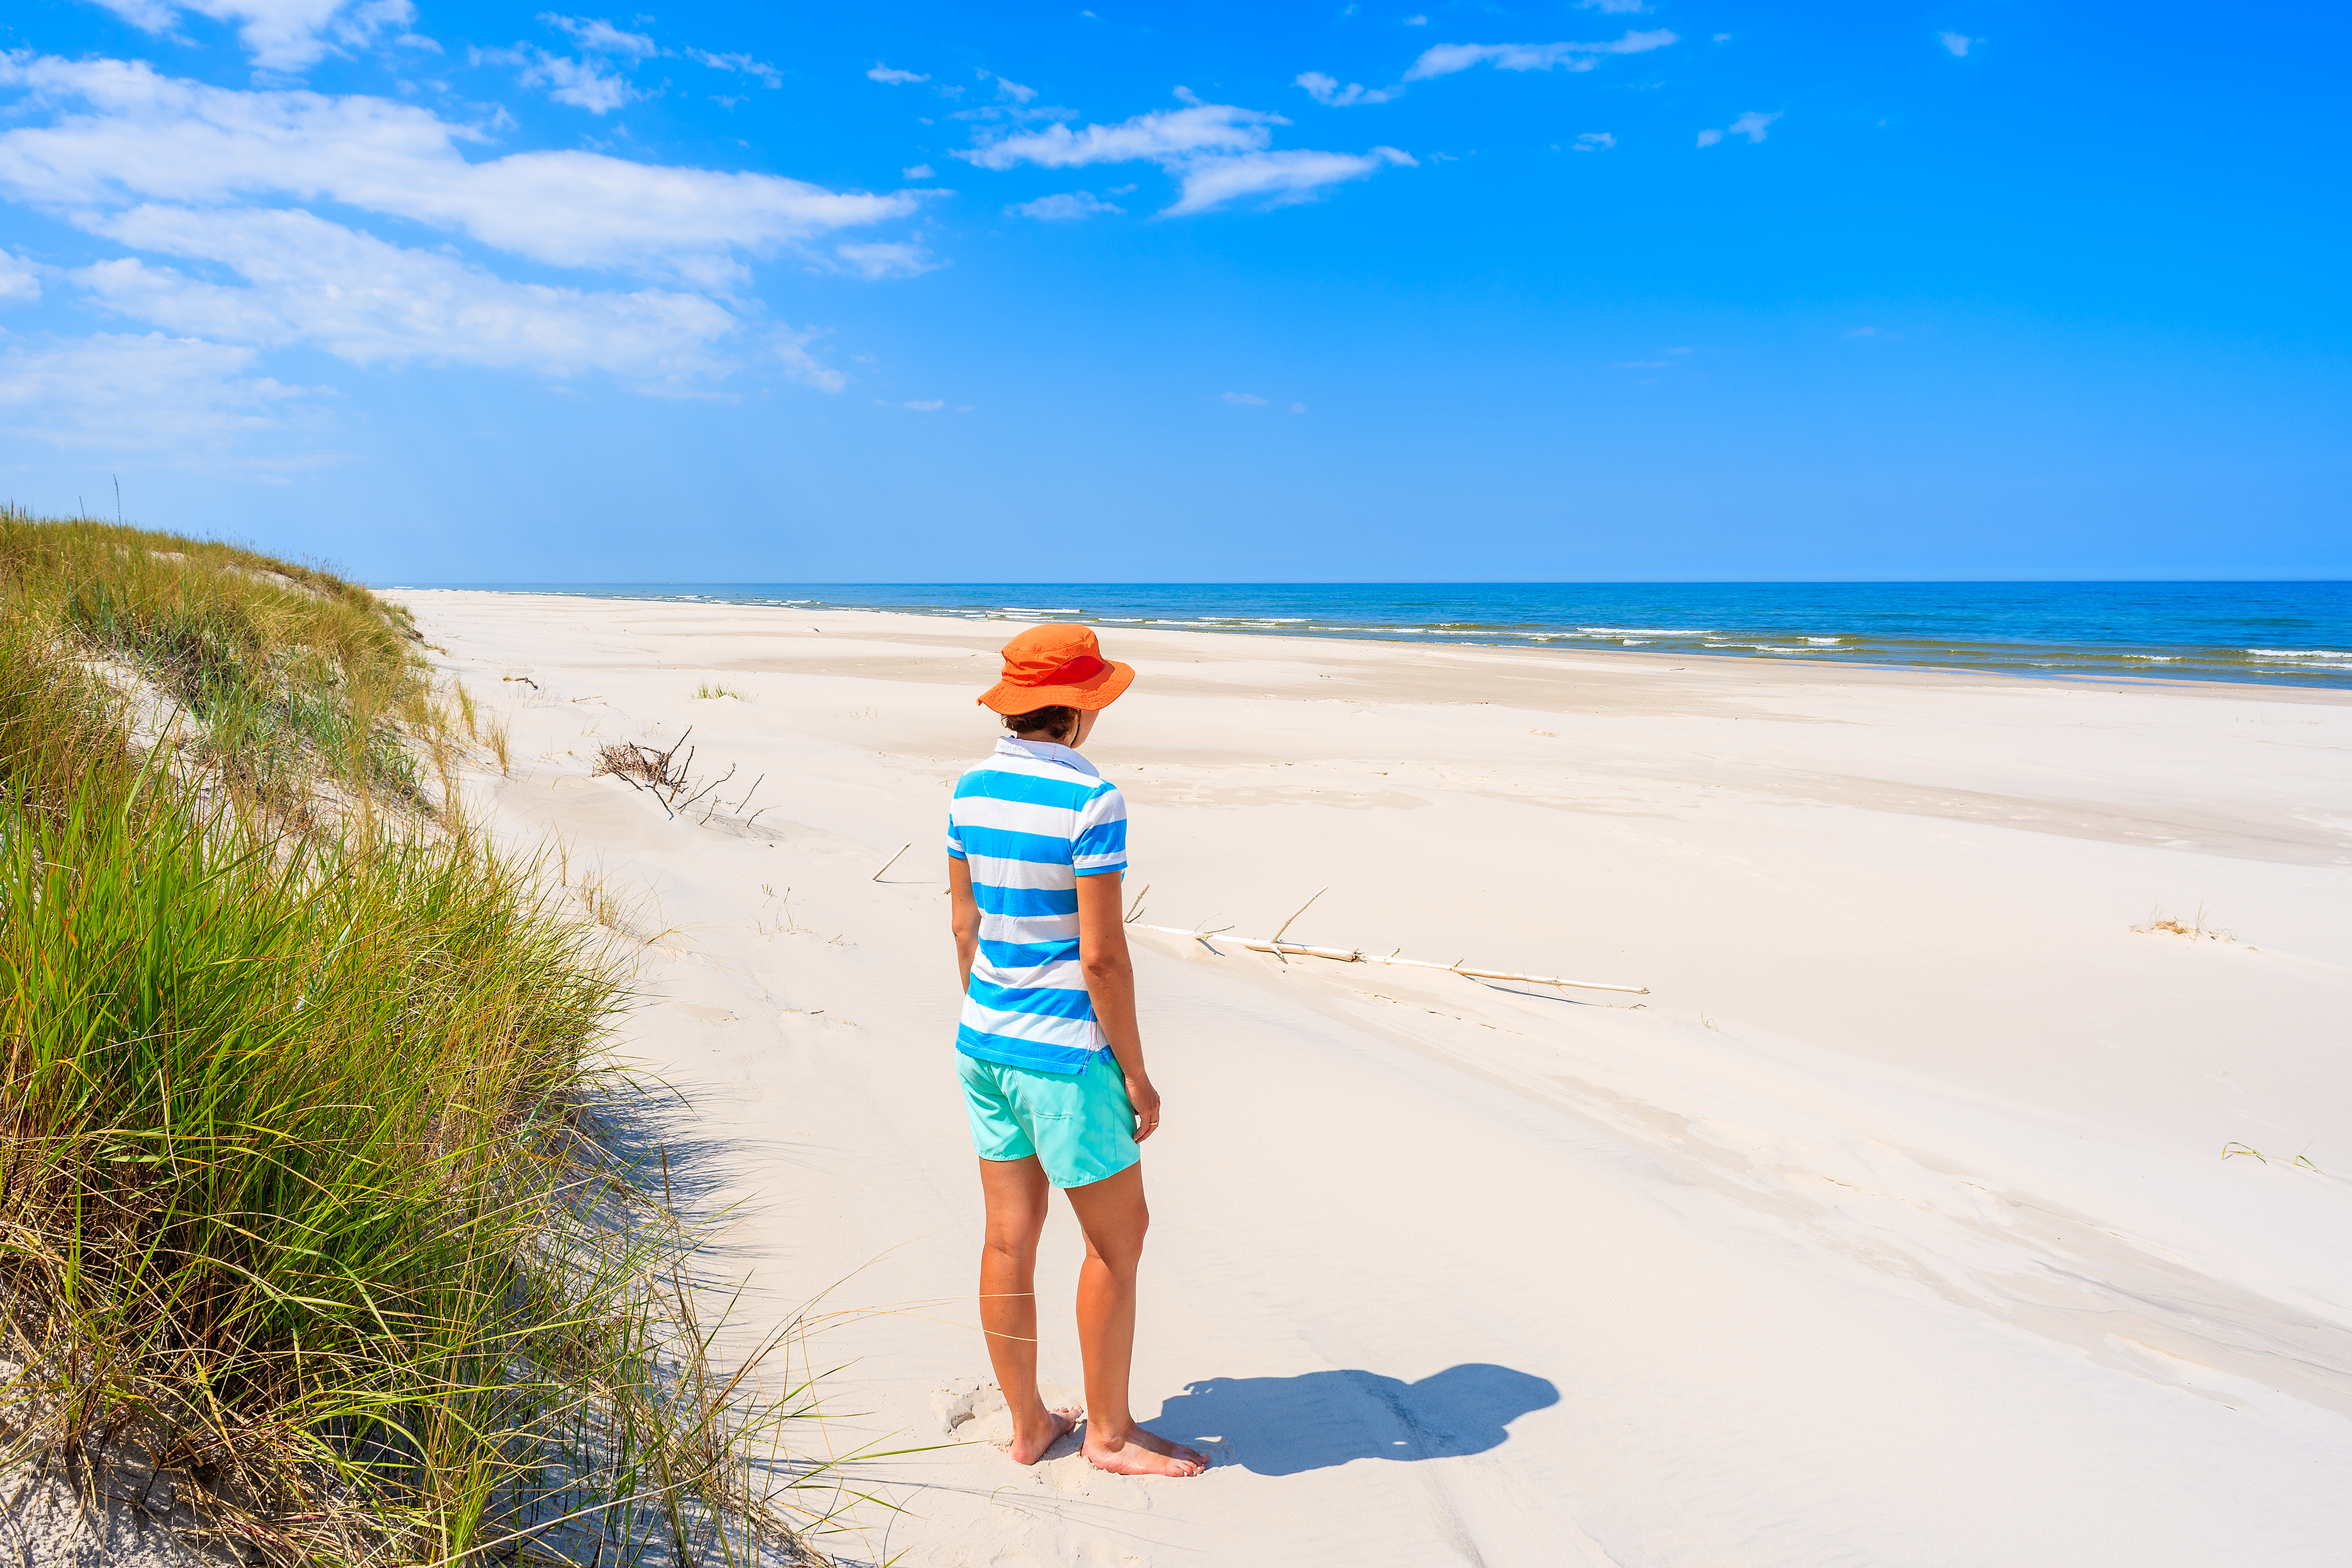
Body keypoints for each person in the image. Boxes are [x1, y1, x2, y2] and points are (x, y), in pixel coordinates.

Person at [946, 624, 1209, 1479]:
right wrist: (1136, 1074)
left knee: (1007, 1240)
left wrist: (991, 1012)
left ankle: (1028, 1425)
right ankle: (1107, 1432)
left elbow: (964, 925)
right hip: (1064, 1057)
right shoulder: (1092, 803)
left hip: (984, 1041)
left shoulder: (971, 791)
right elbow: (1102, 958)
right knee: (1116, 1241)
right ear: (1084, 709)